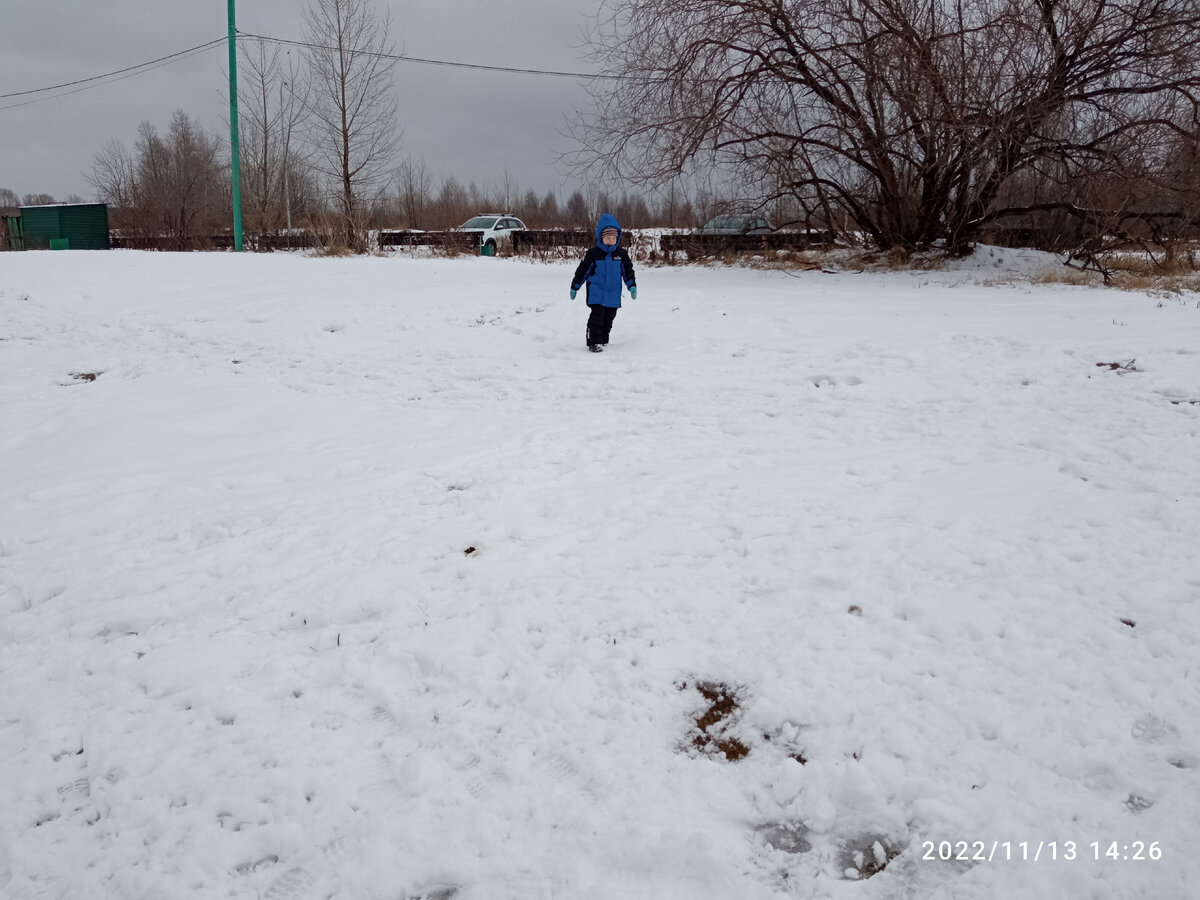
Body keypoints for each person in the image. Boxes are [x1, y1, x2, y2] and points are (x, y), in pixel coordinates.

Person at [570, 213, 637, 352]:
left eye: (613, 238)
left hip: (613, 293)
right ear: (601, 237)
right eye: (607, 238)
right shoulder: (593, 254)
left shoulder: (621, 254)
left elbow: (628, 271)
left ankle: (603, 338)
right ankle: (594, 342)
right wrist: (575, 286)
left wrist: (632, 286)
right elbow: (583, 271)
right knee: (597, 317)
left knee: (609, 317)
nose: (610, 240)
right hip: (597, 292)